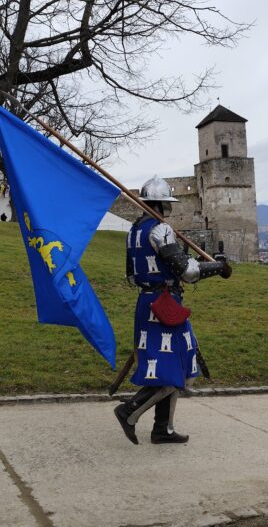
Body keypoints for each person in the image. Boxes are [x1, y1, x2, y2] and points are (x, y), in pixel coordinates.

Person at [114, 175, 232, 445]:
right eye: (166, 204)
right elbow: (189, 273)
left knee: (167, 366)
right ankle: (129, 411)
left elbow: (132, 276)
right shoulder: (160, 230)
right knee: (178, 366)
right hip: (164, 304)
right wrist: (218, 267)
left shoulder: (134, 232)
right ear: (161, 204)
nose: (169, 209)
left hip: (147, 303)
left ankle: (162, 430)